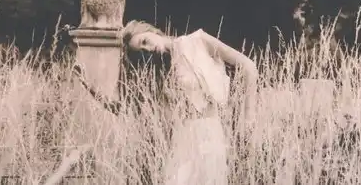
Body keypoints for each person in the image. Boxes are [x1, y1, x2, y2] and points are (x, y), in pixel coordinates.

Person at [73, 20, 259, 185]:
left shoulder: (198, 41)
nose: (147, 49)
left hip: (210, 136)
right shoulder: (161, 72)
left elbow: (249, 68)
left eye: (144, 41)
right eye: (142, 51)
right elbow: (126, 108)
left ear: (151, 31)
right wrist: (91, 88)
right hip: (182, 141)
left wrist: (247, 121)